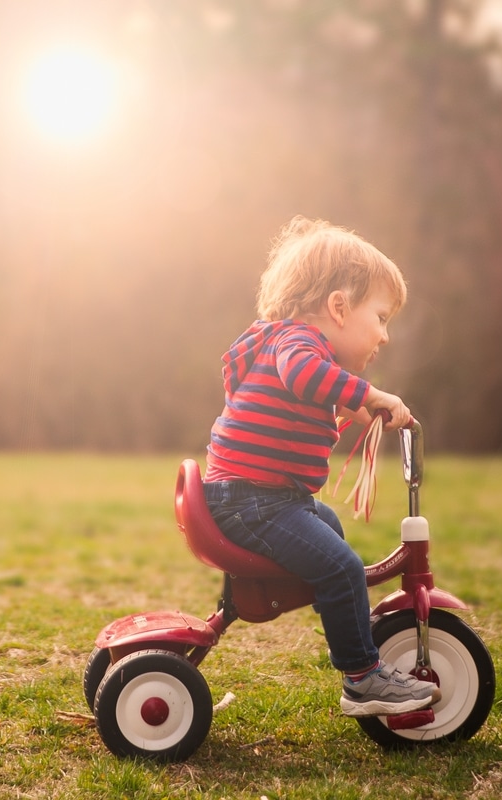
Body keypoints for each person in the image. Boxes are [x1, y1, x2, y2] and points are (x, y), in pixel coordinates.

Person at [202, 215, 440, 718]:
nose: (385, 337)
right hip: (252, 501)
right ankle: (363, 677)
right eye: (380, 317)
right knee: (341, 564)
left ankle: (347, 619)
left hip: (256, 497)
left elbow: (298, 398)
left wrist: (351, 408)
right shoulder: (297, 344)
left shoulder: (282, 342)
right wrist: (371, 394)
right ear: (338, 307)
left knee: (328, 527)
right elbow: (304, 375)